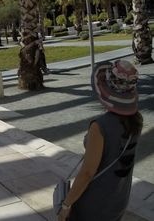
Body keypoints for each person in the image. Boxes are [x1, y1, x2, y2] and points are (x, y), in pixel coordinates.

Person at [57, 60, 142, 221]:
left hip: (95, 202)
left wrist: (66, 205)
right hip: (119, 198)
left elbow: (87, 173)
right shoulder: (137, 121)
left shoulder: (100, 126)